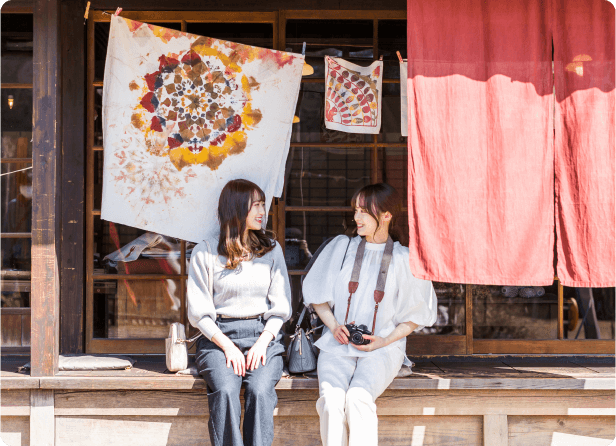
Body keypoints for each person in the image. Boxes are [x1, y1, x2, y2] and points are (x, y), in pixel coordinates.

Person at [302, 183, 437, 446]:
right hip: (337, 344)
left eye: (364, 211)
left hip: (383, 348)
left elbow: (416, 316)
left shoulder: (403, 258)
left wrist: (385, 341)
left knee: (358, 398)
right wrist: (333, 326)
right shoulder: (342, 248)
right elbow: (316, 295)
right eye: (355, 210)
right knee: (331, 402)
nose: (356, 218)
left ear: (386, 216)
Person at [187, 179, 292, 446]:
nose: (262, 212)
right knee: (224, 390)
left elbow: (281, 306)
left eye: (263, 205)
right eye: (255, 205)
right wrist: (228, 347)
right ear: (235, 208)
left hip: (263, 337)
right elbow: (199, 313)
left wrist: (263, 341)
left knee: (259, 390)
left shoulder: (271, 249)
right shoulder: (206, 252)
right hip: (218, 339)